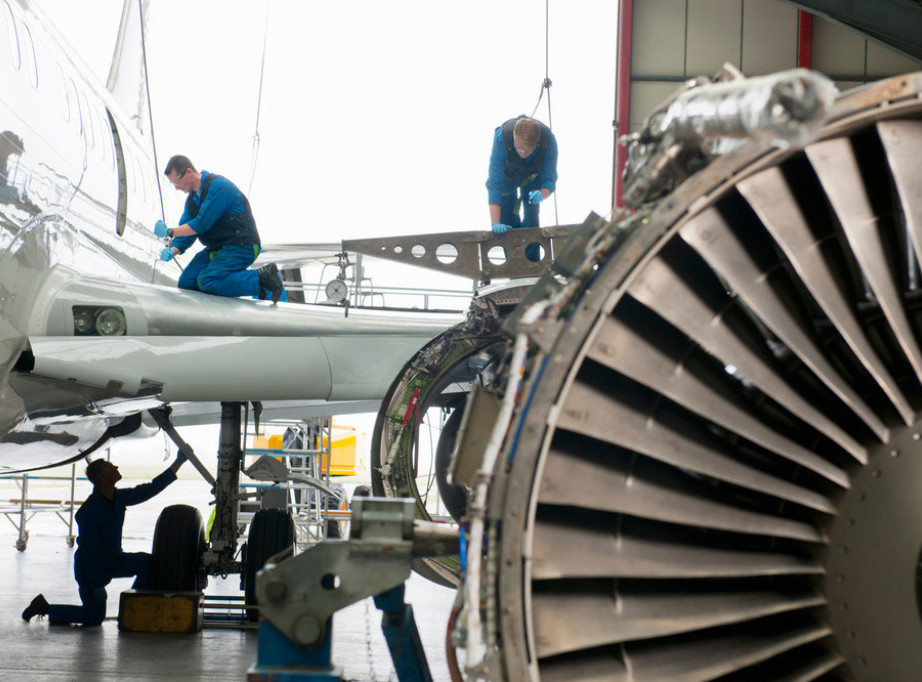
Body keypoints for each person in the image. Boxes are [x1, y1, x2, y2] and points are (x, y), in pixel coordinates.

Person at [21, 454, 186, 626]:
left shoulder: (118, 498)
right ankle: (45, 608)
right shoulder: (89, 511)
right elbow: (89, 551)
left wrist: (178, 463)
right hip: (91, 568)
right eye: (111, 467)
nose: (116, 468)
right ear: (103, 479)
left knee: (148, 563)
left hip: (114, 559)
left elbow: (150, 489)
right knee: (93, 618)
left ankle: (134, 608)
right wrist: (95, 584)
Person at [154, 155, 284, 303]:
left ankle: (263, 278)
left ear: (189, 172)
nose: (177, 187)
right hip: (218, 249)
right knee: (187, 282)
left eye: (177, 181)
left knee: (207, 280)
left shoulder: (219, 186)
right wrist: (173, 249)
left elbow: (201, 223)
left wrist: (169, 231)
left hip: (242, 246)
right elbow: (186, 233)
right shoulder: (192, 202)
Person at [486, 115, 558, 262]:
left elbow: (550, 179)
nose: (523, 154)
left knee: (531, 220)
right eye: (519, 149)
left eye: (527, 151)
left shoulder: (548, 143)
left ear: (536, 144)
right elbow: (494, 184)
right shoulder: (502, 138)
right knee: (507, 221)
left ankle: (532, 265)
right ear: (514, 137)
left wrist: (542, 194)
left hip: (532, 178)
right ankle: (514, 264)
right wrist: (495, 222)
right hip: (507, 177)